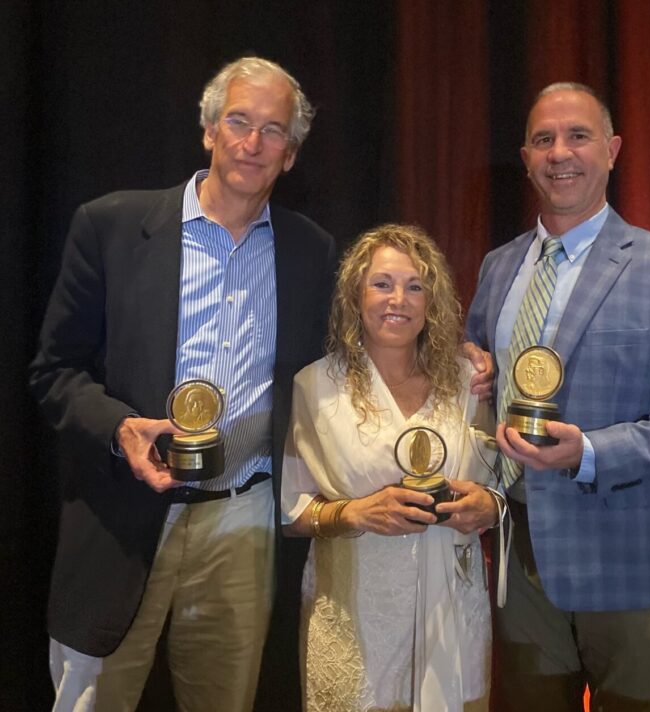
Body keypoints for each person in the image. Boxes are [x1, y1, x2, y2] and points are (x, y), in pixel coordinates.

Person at [29, 56, 336, 712]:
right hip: (122, 520)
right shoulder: (110, 227)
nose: (254, 143)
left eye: (274, 131)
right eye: (239, 121)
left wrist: (462, 364)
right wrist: (117, 427)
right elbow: (53, 371)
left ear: (291, 154)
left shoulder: (311, 251)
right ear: (208, 131)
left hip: (243, 523)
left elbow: (343, 363)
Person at [465, 82, 650, 711]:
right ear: (525, 156)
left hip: (629, 563)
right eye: (543, 139)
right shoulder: (498, 267)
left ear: (611, 150)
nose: (561, 152)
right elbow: (478, 374)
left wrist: (586, 452)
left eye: (578, 136)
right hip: (518, 559)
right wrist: (470, 372)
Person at [281, 224, 503, 712]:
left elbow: (500, 486)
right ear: (355, 295)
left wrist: (488, 506)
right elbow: (290, 513)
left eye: (415, 286)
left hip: (452, 623)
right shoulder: (315, 388)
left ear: (432, 302)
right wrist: (356, 513)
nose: (397, 299)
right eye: (382, 283)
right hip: (355, 627)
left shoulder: (470, 383)